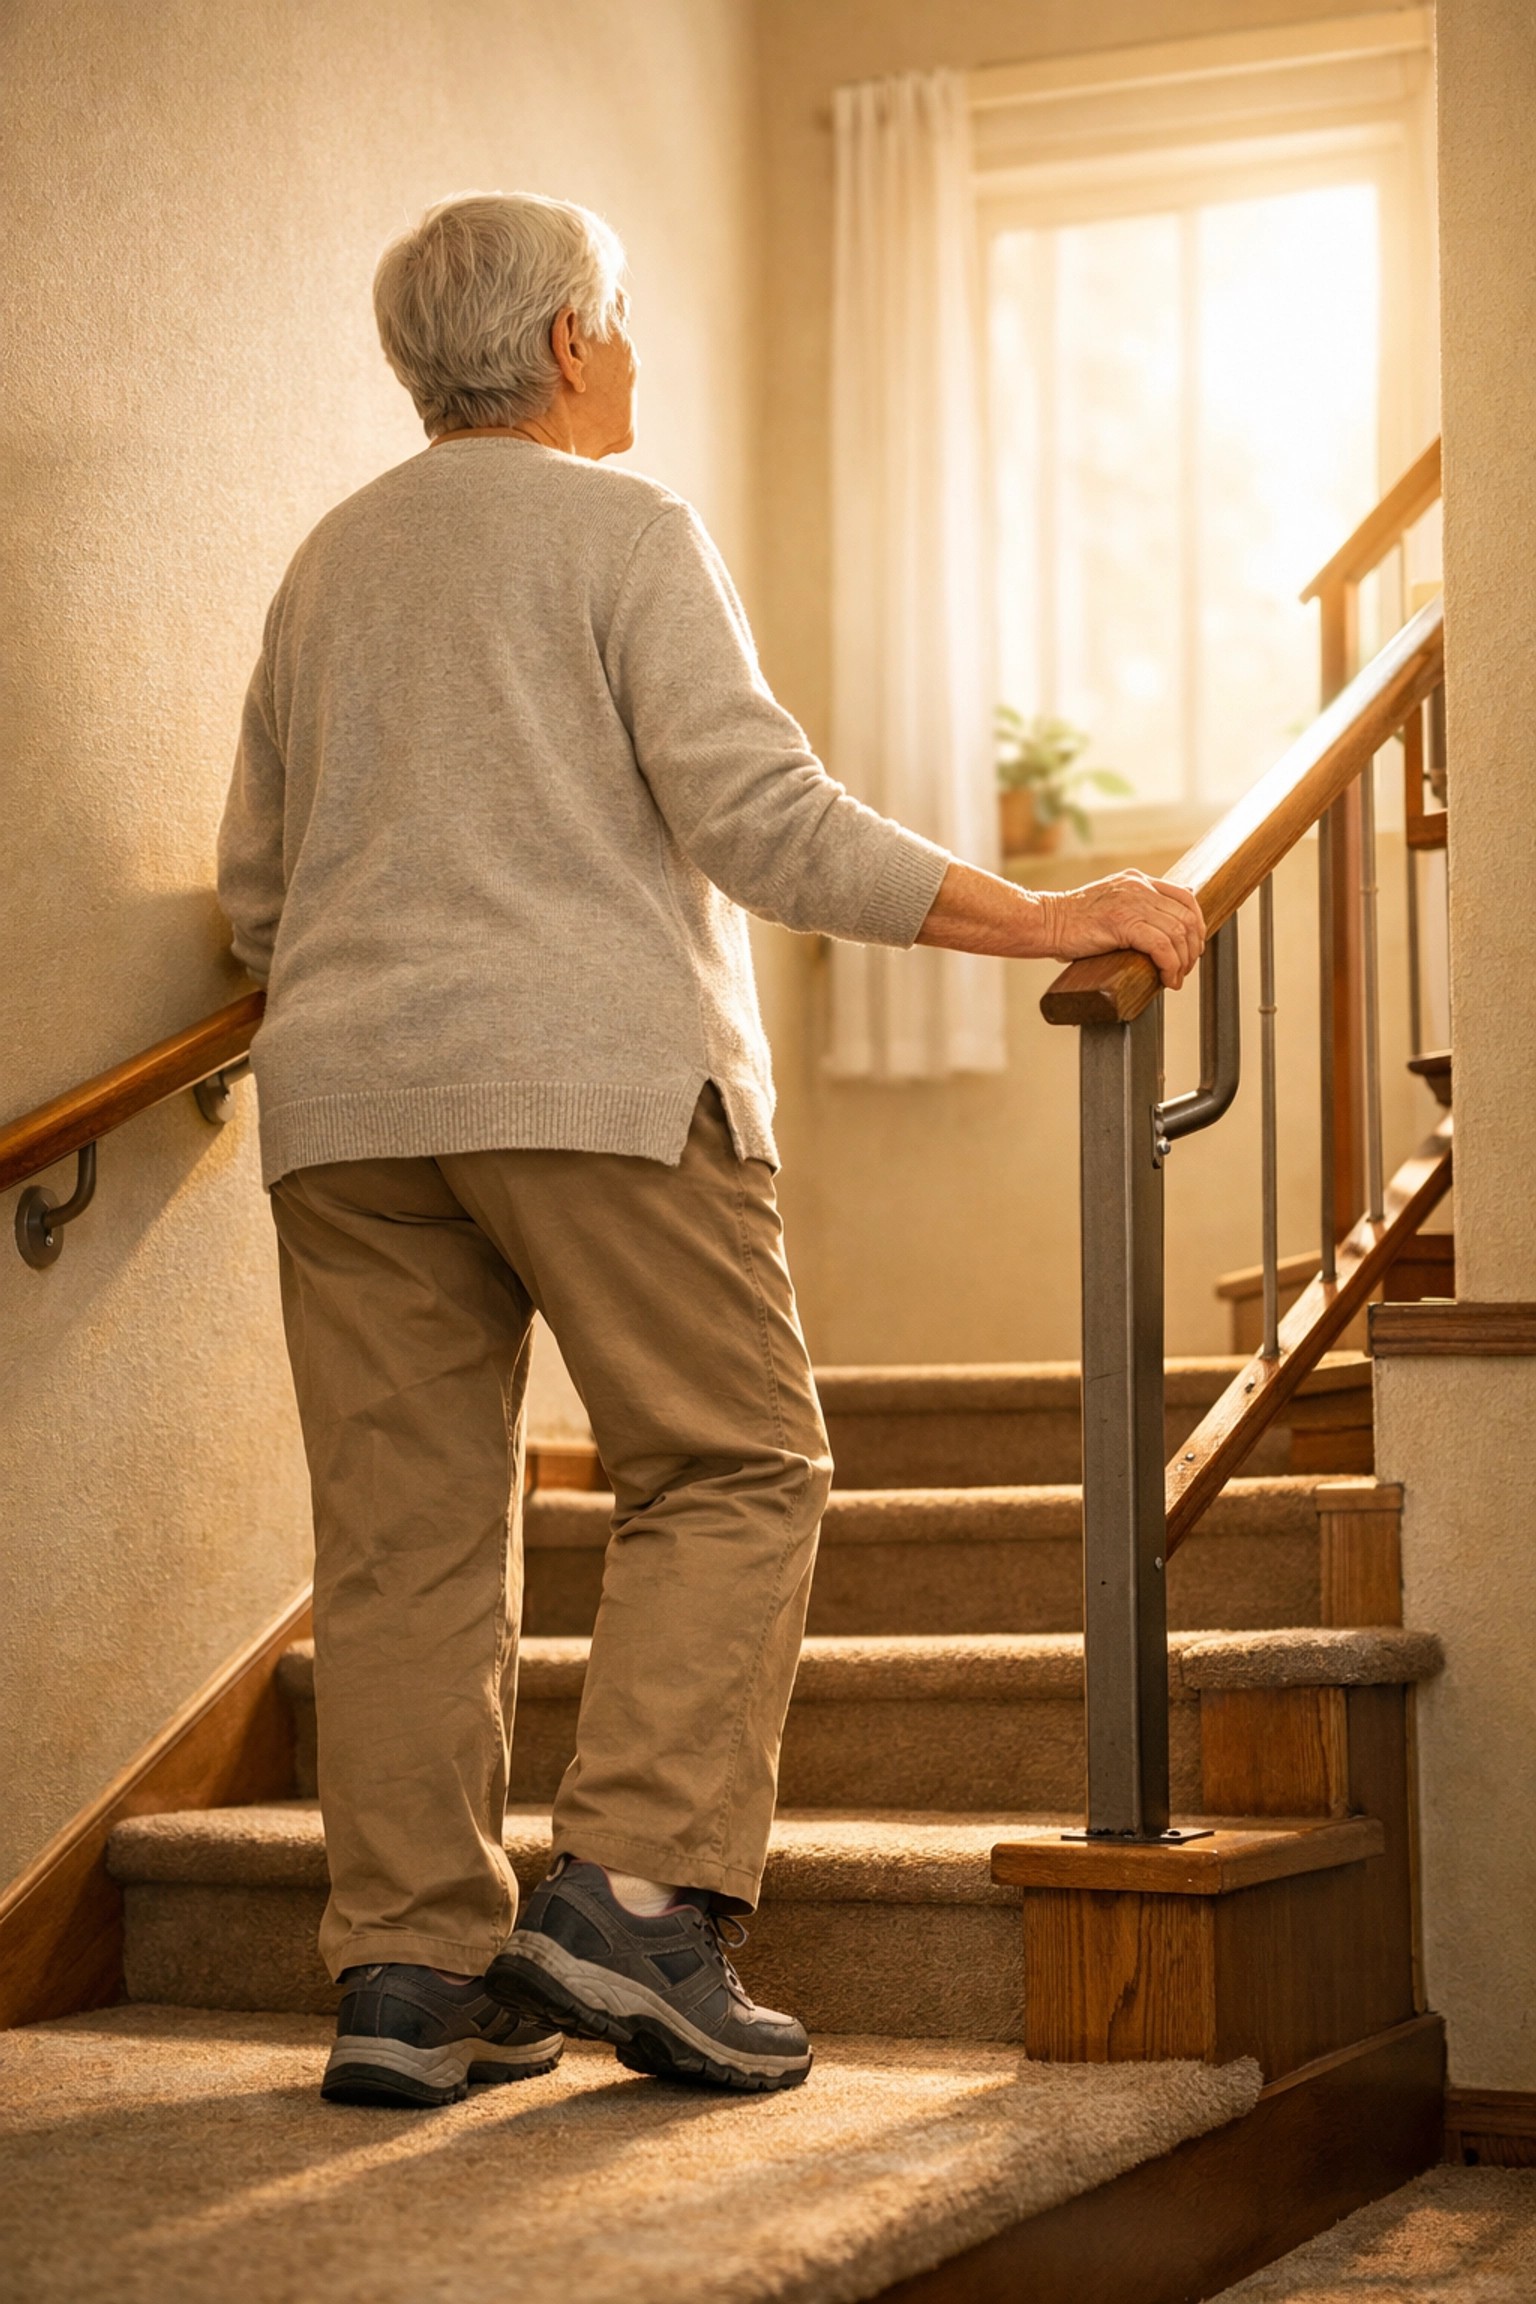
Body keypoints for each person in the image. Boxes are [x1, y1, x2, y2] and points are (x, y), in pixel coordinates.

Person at [217, 191, 1205, 2108]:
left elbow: (259, 890)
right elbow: (764, 818)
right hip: (593, 1084)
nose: (640, 355)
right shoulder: (623, 529)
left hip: (340, 1110)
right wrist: (1039, 916)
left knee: (407, 1544)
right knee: (739, 1459)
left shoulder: (328, 563)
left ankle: (411, 1983)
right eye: (632, 323)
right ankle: (634, 1898)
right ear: (572, 339)